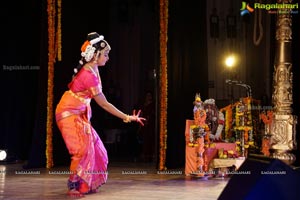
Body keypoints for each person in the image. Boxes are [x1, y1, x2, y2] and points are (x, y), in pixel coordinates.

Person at [55, 32, 145, 197]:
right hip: (68, 112)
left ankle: (86, 185)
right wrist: (127, 117)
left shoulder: (93, 68)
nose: (108, 57)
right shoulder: (88, 75)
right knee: (81, 149)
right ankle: (73, 185)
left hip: (79, 113)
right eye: (105, 54)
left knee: (97, 149)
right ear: (95, 55)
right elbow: (104, 103)